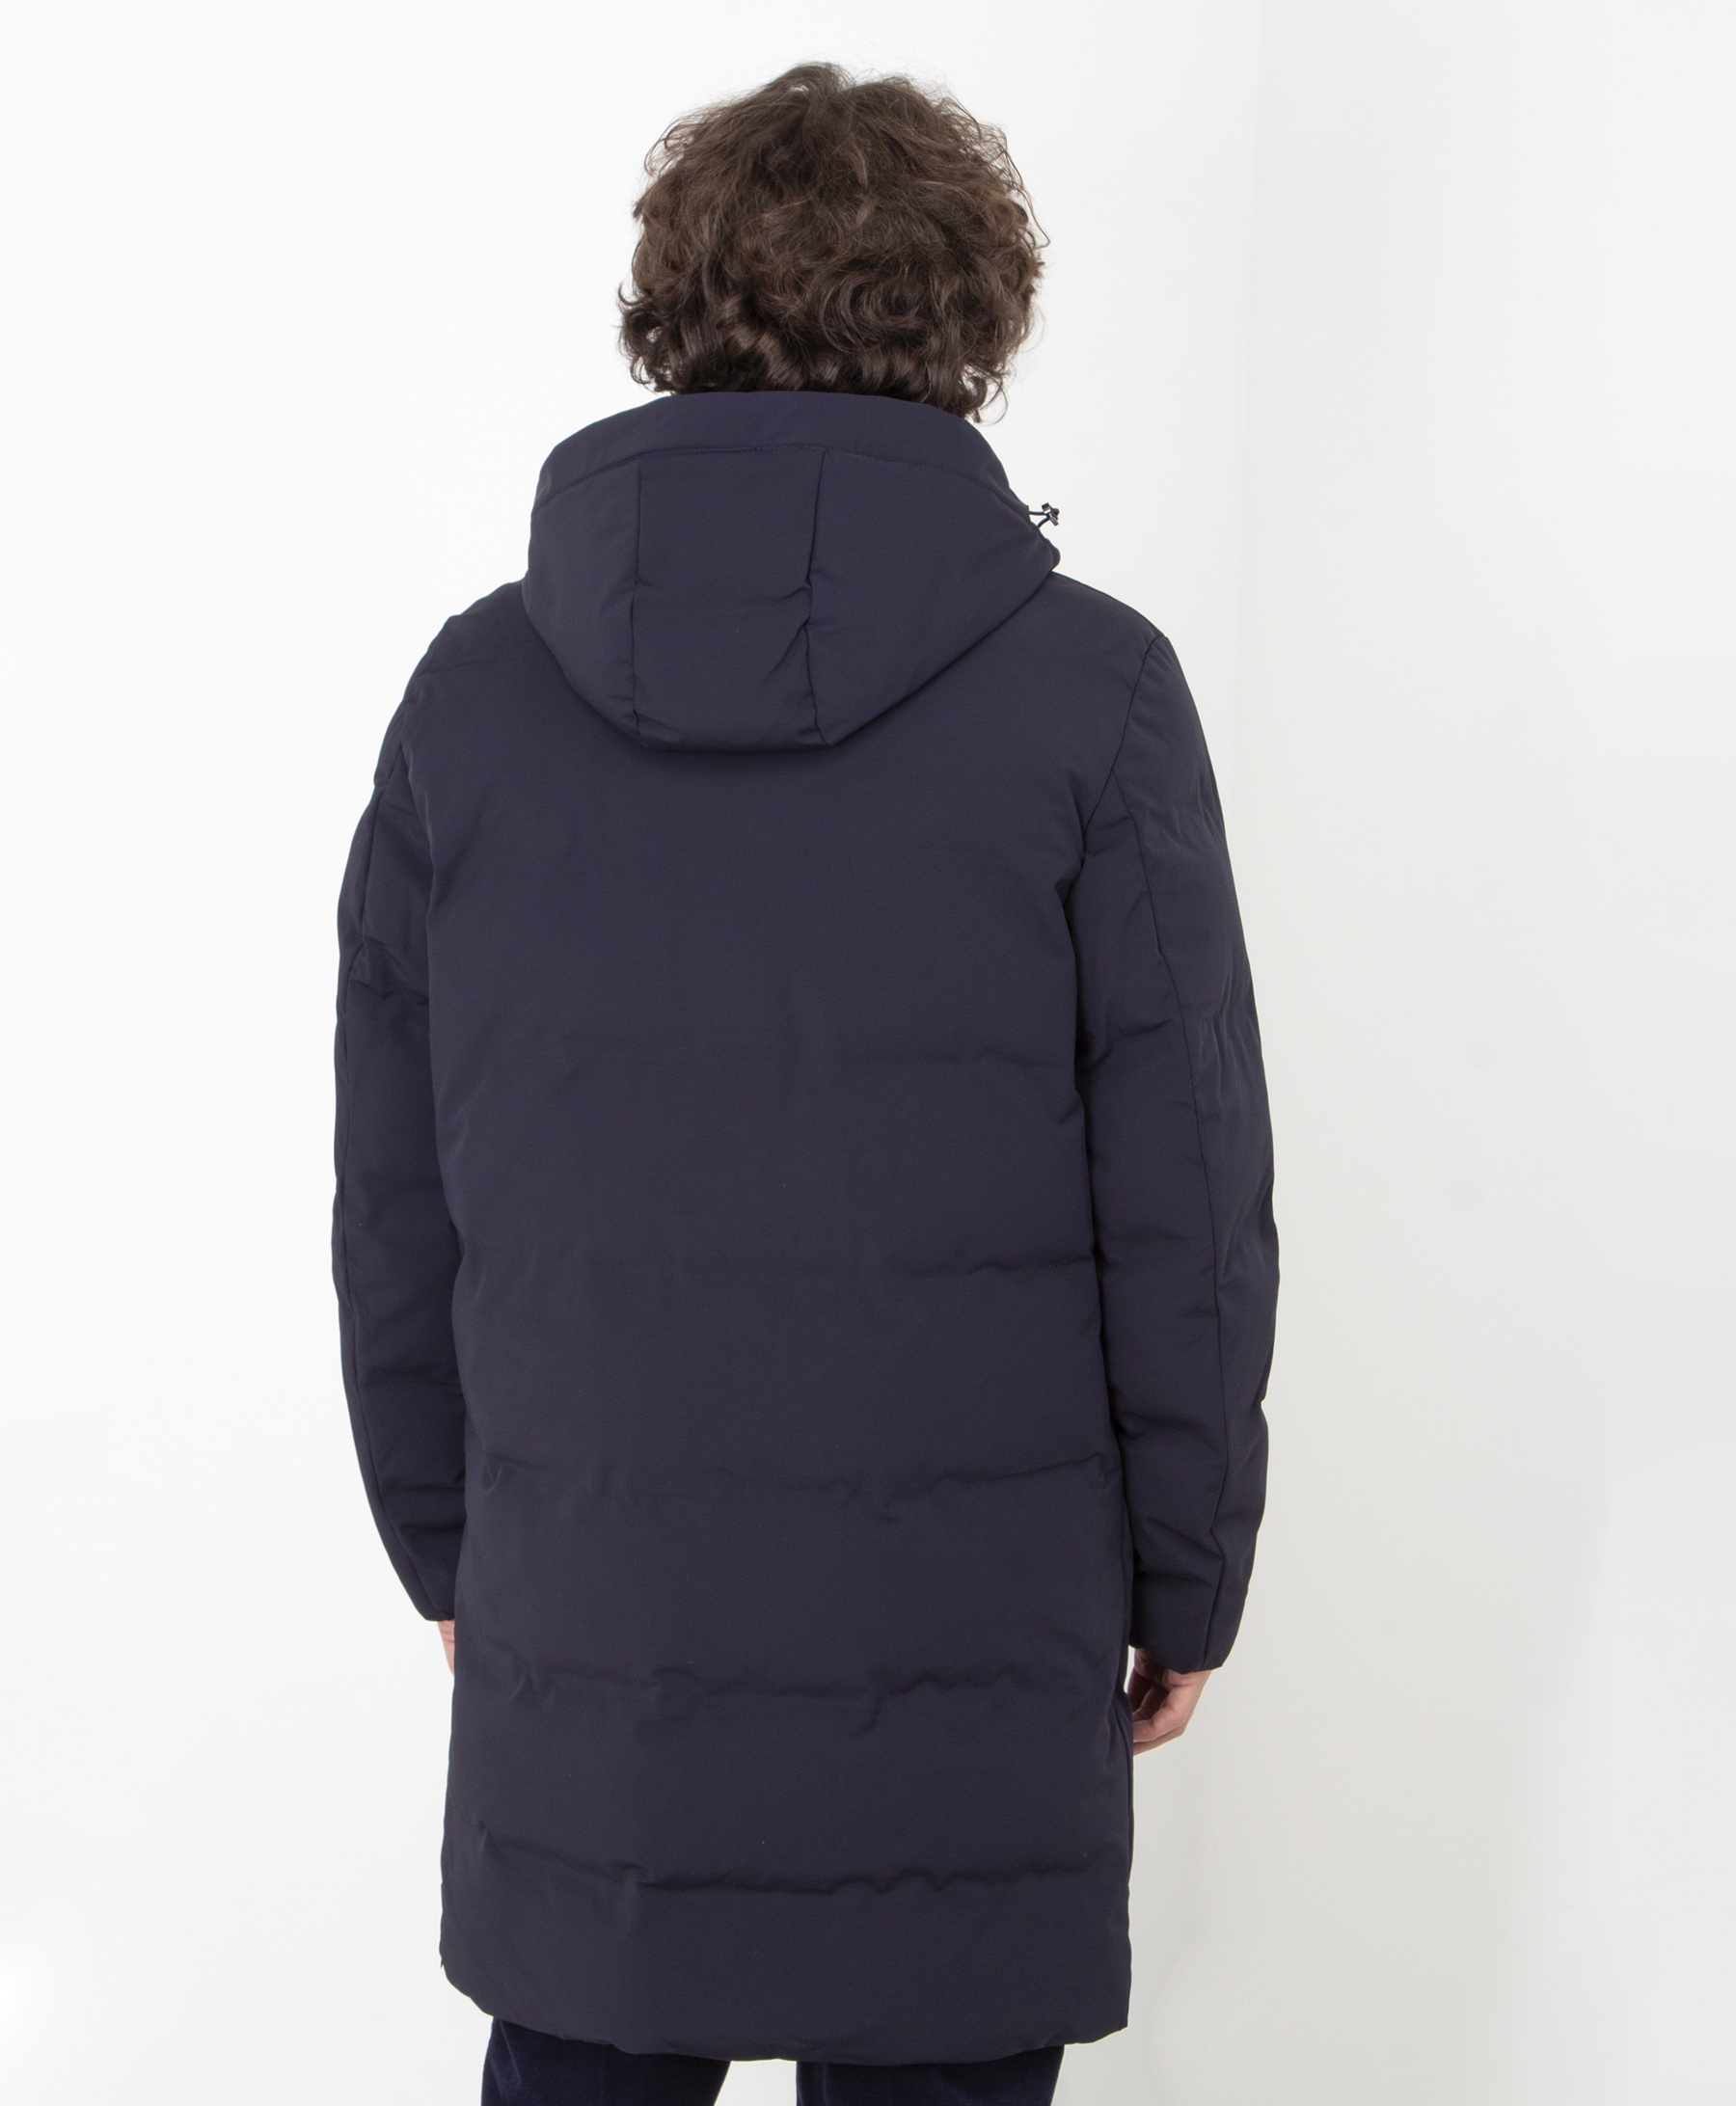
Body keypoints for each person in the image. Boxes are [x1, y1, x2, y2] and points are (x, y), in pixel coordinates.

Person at [334, 61, 1277, 2106]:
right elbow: (1188, 1193)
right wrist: (1189, 1568)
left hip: (596, 1618)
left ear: (674, 303)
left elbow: (393, 1186)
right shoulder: (1094, 692)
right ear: (973, 315)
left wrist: (449, 1546)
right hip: (967, 1632)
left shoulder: (474, 695)